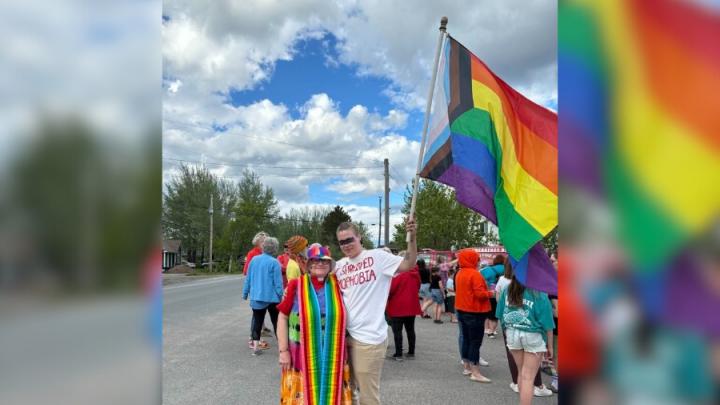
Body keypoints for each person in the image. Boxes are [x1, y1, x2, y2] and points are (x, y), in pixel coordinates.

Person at [334, 218, 417, 405]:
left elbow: (408, 263)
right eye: (342, 242)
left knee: (368, 396)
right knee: (349, 391)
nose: (346, 245)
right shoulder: (339, 266)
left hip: (369, 339)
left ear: (359, 237)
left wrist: (412, 239)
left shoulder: (378, 257)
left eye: (349, 240)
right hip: (345, 338)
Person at [276, 244, 352, 405]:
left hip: (334, 356)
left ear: (331, 265)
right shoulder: (295, 286)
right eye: (315, 260)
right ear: (308, 264)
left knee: (333, 394)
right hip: (300, 357)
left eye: (324, 261)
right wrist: (283, 351)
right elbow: (282, 318)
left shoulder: (340, 285)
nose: (320, 263)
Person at [497, 270, 556, 405]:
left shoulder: (508, 290)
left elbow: (500, 314)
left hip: (512, 333)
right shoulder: (539, 293)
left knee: (521, 373)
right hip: (532, 335)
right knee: (528, 377)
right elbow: (547, 323)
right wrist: (550, 346)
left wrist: (507, 331)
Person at [454, 248, 493, 383]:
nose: (478, 260)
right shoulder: (475, 274)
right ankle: (475, 372)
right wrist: (491, 293)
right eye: (476, 258)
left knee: (466, 339)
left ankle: (467, 366)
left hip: (462, 310)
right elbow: (480, 294)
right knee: (475, 342)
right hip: (475, 311)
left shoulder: (459, 273)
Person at [242, 237, 284, 355]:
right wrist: (281, 296)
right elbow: (278, 283)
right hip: (272, 298)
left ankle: (255, 348)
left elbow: (248, 279)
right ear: (275, 249)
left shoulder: (254, 260)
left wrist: (245, 293)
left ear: (263, 247)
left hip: (256, 297)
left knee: (257, 322)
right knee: (276, 322)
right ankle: (282, 348)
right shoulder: (275, 262)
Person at [386, 261, 422, 360]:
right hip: (411, 306)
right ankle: (411, 352)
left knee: (397, 331)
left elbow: (390, 290)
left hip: (397, 306)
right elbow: (418, 287)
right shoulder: (415, 274)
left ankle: (398, 354)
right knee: (410, 330)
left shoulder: (398, 274)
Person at [481, 254, 506, 338]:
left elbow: (480, 278)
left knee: (486, 311)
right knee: (495, 313)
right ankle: (493, 330)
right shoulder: (507, 269)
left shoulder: (486, 269)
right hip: (500, 294)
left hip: (487, 293)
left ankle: (486, 328)